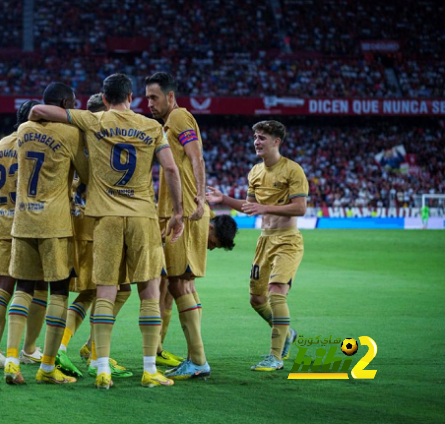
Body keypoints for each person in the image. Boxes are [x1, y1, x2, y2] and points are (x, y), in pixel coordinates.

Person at [29, 73, 184, 389]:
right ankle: (150, 369)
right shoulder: (152, 127)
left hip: (105, 219)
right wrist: (178, 212)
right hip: (142, 216)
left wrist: (33, 116)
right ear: (131, 97)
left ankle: (102, 369)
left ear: (105, 95)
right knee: (149, 293)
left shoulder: (93, 120)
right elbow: (170, 168)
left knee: (104, 292)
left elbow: (44, 111)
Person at [4, 83, 89, 385]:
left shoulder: (24, 129)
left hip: (24, 219)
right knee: (60, 291)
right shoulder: (70, 133)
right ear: (66, 103)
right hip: (55, 222)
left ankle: (11, 361)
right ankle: (48, 368)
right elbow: (87, 173)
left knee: (23, 288)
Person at [206, 120, 308, 372]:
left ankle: (275, 357)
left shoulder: (293, 170)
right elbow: (250, 206)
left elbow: (300, 208)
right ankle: (286, 333)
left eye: (262, 137)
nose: (256, 141)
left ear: (276, 142)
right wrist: (224, 199)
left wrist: (265, 208)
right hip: (265, 240)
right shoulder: (255, 172)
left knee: (276, 291)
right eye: (255, 137)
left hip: (287, 239)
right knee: (256, 298)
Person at [56, 94, 134, 380]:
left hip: (79, 218)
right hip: (98, 222)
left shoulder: (77, 135)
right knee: (116, 289)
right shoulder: (104, 137)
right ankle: (87, 351)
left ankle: (85, 348)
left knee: (93, 291)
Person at [145, 72, 211, 379]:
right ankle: (195, 356)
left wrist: (197, 198)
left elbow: (196, 156)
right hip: (179, 210)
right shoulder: (169, 124)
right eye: (147, 97)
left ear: (170, 97)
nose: (149, 103)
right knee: (183, 283)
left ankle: (198, 359)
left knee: (178, 283)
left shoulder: (180, 117)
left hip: (182, 213)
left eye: (154, 97)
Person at [0, 100, 51, 371]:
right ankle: (29, 349)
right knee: (37, 286)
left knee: (3, 287)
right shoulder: (38, 145)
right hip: (32, 223)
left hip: (3, 222)